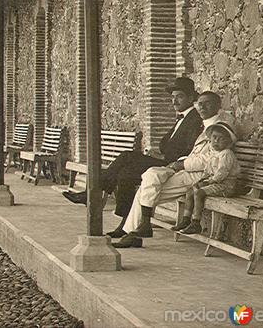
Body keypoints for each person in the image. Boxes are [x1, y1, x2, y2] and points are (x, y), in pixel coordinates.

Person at [62, 77, 204, 238]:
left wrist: (163, 154)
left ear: (191, 98)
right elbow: (168, 143)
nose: (174, 101)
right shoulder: (182, 117)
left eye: (179, 96)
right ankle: (124, 227)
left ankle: (94, 191)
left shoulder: (195, 119)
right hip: (164, 159)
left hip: (172, 165)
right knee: (125, 176)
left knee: (127, 157)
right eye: (172, 97)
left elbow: (189, 149)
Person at [113, 91, 234, 248]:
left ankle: (134, 232)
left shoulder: (221, 128)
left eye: (208, 103)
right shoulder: (204, 126)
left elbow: (211, 159)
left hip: (199, 175)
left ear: (218, 106)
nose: (202, 106)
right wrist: (178, 163)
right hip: (185, 167)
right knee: (150, 175)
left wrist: (182, 165)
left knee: (145, 190)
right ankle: (141, 227)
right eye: (200, 103)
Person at [171, 121, 240, 234]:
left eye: (221, 139)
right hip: (215, 183)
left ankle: (196, 222)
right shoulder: (213, 154)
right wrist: (202, 180)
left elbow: (222, 173)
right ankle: (186, 219)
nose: (216, 141)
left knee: (199, 193)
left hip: (226, 185)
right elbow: (207, 170)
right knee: (191, 190)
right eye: (214, 137)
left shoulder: (226, 154)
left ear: (228, 142)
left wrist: (208, 182)